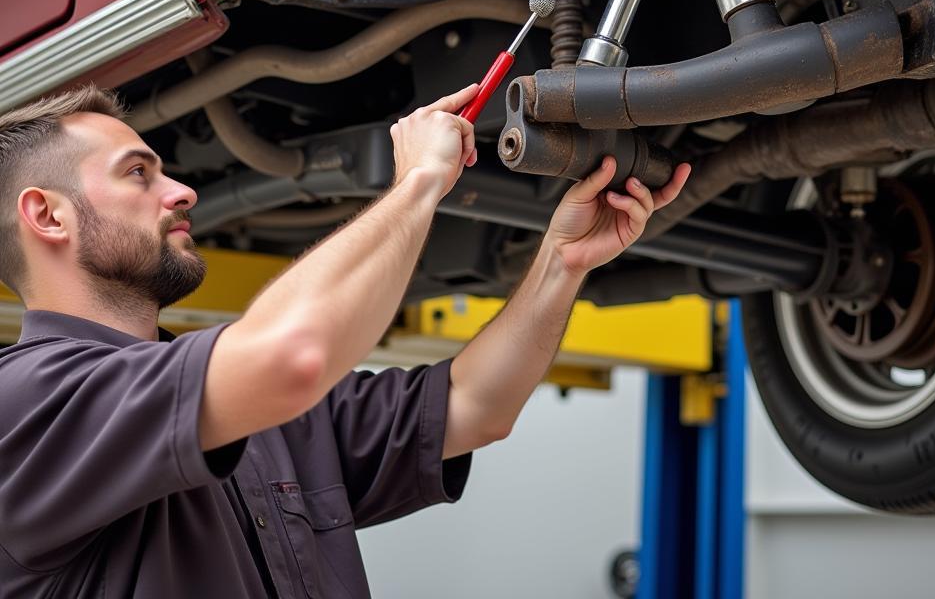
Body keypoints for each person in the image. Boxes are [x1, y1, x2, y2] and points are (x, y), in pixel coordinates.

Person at [0, 82, 690, 598]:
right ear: (47, 215)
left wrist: (561, 261)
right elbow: (294, 353)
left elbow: (475, 408)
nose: (181, 191)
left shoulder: (247, 412)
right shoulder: (25, 403)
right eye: (137, 173)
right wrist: (418, 181)